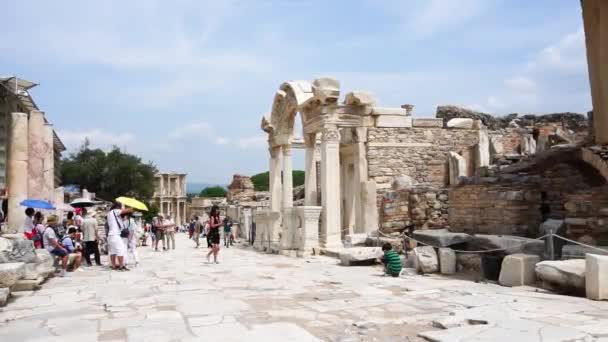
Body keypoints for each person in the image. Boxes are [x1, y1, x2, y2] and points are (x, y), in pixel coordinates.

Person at [106, 202, 131, 271]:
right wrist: (132, 208)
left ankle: (113, 266)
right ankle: (121, 266)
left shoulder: (109, 213)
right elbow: (126, 211)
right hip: (115, 234)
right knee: (121, 250)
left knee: (113, 251)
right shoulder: (115, 211)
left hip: (110, 235)